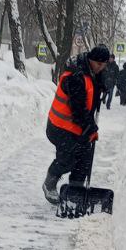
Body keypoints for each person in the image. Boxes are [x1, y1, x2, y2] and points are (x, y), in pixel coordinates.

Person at [42, 44, 109, 204]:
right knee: (68, 158)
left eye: (104, 65)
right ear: (91, 60)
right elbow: (78, 109)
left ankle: (75, 191)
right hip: (59, 127)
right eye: (99, 64)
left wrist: (100, 87)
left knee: (84, 157)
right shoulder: (75, 76)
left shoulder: (92, 72)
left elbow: (89, 98)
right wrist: (91, 128)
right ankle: (49, 184)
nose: (101, 68)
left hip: (76, 127)